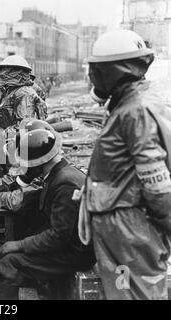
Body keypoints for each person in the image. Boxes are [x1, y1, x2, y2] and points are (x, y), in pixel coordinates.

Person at [79, 29, 171, 300]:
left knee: (134, 295)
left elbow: (156, 181)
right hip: (126, 224)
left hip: (128, 226)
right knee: (126, 294)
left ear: (110, 72)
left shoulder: (134, 111)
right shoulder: (135, 103)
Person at [0, 119, 96, 300]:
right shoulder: (59, 173)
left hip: (75, 253)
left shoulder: (64, 183)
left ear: (37, 163)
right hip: (70, 246)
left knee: (10, 261)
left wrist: (19, 245)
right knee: (8, 247)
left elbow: (58, 237)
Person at [0, 55, 47, 133]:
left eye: (6, 71)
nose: (2, 74)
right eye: (2, 70)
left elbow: (24, 125)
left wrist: (0, 137)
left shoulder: (24, 93)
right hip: (7, 140)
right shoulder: (12, 91)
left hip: (17, 142)